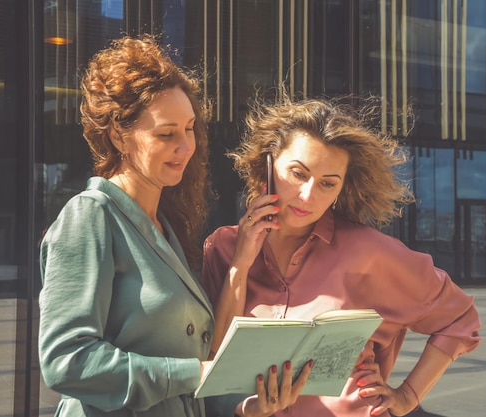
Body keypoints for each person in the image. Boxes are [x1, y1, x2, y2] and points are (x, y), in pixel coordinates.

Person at [38, 36, 311, 417]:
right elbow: (67, 360)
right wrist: (193, 373)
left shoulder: (162, 227)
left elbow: (201, 364)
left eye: (189, 129)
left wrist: (248, 407)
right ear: (118, 134)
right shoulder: (90, 216)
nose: (187, 147)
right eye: (167, 134)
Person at [200, 92, 482, 417]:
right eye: (298, 173)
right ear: (268, 164)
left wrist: (407, 396)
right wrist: (241, 264)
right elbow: (216, 359)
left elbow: (460, 318)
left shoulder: (367, 251)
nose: (307, 195)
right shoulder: (222, 247)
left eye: (327, 184)